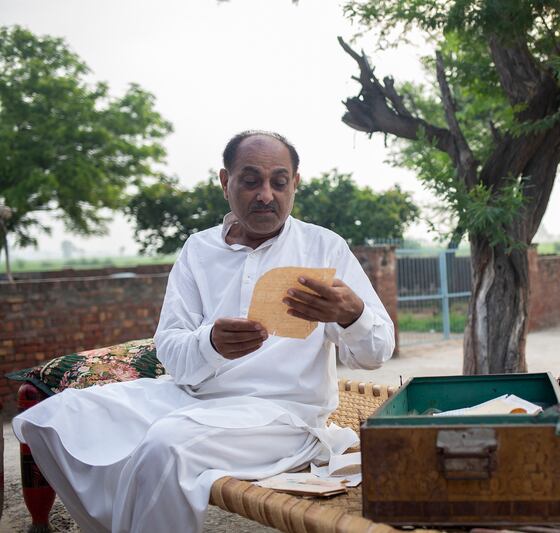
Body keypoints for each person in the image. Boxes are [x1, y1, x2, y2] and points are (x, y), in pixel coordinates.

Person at [12, 130, 395, 533]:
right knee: (52, 418)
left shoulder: (324, 247)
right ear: (224, 181)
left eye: (279, 182)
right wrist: (210, 343)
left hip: (282, 418)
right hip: (190, 398)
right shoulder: (199, 249)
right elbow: (171, 349)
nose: (266, 194)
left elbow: (377, 352)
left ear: (295, 184)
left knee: (167, 446)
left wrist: (352, 314)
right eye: (251, 181)